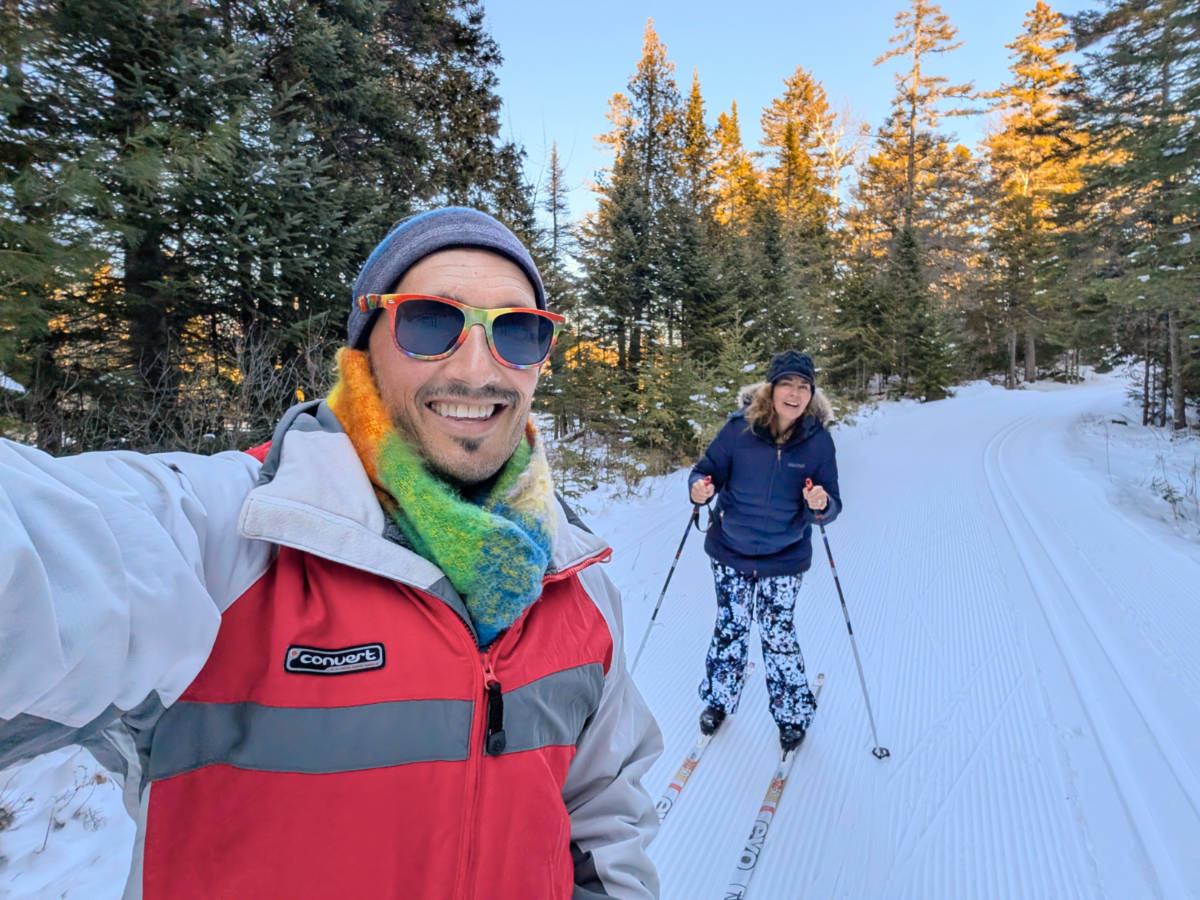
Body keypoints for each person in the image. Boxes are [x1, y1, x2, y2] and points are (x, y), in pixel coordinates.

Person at [0, 207, 663, 899]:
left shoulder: (573, 581)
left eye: (518, 332)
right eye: (430, 322)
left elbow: (604, 817)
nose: (478, 368)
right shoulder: (231, 535)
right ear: (364, 350)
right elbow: (52, 546)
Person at [687, 350, 842, 753]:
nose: (795, 393)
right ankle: (719, 700)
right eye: (787, 384)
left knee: (778, 633)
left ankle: (792, 712)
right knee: (731, 627)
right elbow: (706, 471)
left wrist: (821, 503)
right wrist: (700, 487)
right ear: (771, 388)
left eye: (803, 386)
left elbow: (831, 505)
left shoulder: (818, 442)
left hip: (784, 556)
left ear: (812, 393)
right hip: (731, 550)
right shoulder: (738, 431)